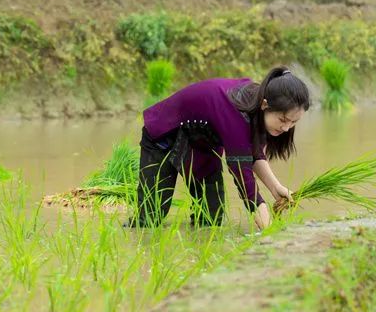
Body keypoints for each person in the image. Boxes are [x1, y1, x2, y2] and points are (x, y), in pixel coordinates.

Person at [131, 66, 309, 230]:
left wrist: (275, 187)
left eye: (294, 122)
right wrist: (264, 218)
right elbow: (241, 170)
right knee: (149, 220)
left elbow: (253, 154)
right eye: (283, 120)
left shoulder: (256, 106)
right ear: (265, 105)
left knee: (211, 219)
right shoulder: (237, 115)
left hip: (201, 144)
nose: (286, 128)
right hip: (164, 134)